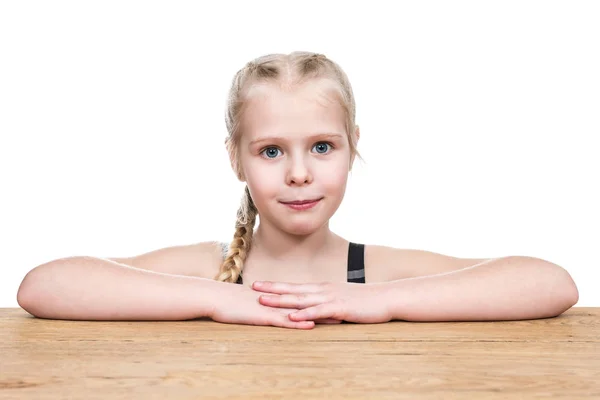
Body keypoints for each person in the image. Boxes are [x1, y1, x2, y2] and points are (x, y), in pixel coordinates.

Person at [16, 51, 579, 330]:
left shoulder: (375, 273)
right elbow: (44, 286)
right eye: (270, 151)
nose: (299, 174)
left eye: (322, 147)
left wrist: (379, 301)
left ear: (352, 146)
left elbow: (549, 283)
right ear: (235, 158)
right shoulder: (210, 272)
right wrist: (220, 300)